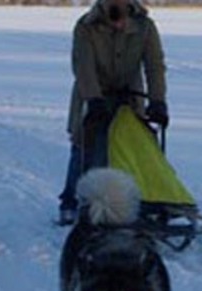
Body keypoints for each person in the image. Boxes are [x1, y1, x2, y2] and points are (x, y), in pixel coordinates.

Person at [58, 0, 169, 225]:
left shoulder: (145, 27)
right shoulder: (86, 27)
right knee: (86, 147)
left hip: (130, 97)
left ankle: (145, 201)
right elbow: (83, 66)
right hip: (92, 95)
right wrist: (94, 99)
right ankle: (70, 201)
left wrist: (157, 100)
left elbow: (154, 65)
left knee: (139, 147)